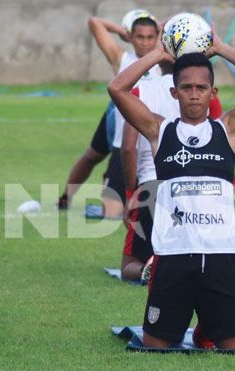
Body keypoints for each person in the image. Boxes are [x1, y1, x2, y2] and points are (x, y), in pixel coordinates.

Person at [108, 29, 235, 349]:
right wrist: (157, 54)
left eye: (201, 88)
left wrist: (221, 49)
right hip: (171, 257)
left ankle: (206, 328)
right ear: (174, 93)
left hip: (221, 256)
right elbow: (117, 87)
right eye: (186, 88)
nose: (194, 94)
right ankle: (201, 325)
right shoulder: (159, 130)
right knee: (155, 346)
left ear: (213, 92)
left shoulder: (229, 129)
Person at [119, 71, 235, 281]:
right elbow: (216, 150)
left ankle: (152, 267)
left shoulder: (141, 91)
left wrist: (129, 192)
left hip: (152, 186)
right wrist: (232, 181)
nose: (194, 95)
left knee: (130, 264)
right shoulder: (207, 91)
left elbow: (127, 148)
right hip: (200, 186)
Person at [57, 10, 161, 219]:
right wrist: (122, 31)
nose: (145, 42)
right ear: (131, 37)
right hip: (123, 140)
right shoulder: (121, 59)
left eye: (151, 37)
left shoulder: (165, 61)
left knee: (152, 209)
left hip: (152, 142)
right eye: (139, 37)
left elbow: (174, 26)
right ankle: (67, 198)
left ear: (158, 37)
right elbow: (95, 22)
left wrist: (157, 24)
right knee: (111, 213)